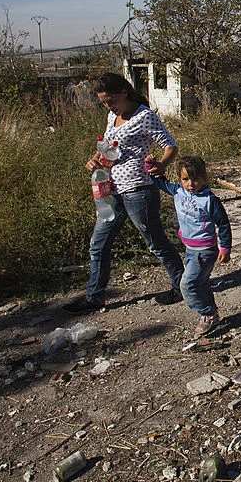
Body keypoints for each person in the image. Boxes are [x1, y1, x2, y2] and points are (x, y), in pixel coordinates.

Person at [63, 72, 185, 313]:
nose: (108, 106)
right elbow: (110, 147)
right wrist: (97, 159)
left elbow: (170, 144)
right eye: (104, 103)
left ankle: (182, 286)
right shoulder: (112, 116)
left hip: (138, 190)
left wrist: (161, 165)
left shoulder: (144, 116)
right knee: (99, 243)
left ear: (124, 93)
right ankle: (94, 296)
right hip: (112, 189)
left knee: (156, 243)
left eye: (111, 101)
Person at [153, 155, 232, 337]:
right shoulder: (179, 192)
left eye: (195, 179)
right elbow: (158, 181)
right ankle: (211, 311)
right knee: (201, 283)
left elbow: (224, 223)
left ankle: (208, 313)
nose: (191, 184)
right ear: (180, 179)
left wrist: (225, 248)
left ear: (204, 177)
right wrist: (150, 164)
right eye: (185, 179)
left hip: (205, 251)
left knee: (187, 285)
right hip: (189, 250)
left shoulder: (210, 200)